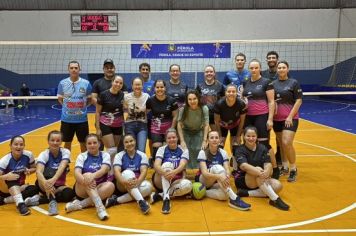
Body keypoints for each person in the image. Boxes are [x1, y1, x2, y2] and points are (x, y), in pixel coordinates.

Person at [234, 126, 290, 211]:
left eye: (253, 136)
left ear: (257, 137)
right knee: (259, 169)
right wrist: (261, 172)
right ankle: (275, 199)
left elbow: (268, 164)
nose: (251, 138)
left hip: (260, 178)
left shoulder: (262, 148)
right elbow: (244, 166)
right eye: (248, 136)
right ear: (244, 137)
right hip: (243, 180)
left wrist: (267, 171)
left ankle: (247, 193)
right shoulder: (240, 149)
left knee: (278, 186)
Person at [242, 59, 279, 179]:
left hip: (262, 116)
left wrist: (270, 119)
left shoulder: (266, 82)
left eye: (256, 68)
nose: (253, 70)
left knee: (264, 144)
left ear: (260, 68)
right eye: (251, 68)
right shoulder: (245, 82)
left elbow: (271, 101)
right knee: (248, 142)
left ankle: (274, 168)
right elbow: (243, 99)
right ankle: (251, 168)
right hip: (248, 116)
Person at [196, 131, 251, 210]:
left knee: (224, 196)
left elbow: (227, 170)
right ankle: (234, 199)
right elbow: (204, 173)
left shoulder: (223, 152)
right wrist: (220, 176)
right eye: (212, 138)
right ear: (207, 140)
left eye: (216, 138)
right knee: (217, 167)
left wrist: (227, 176)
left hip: (216, 183)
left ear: (219, 140)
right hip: (204, 180)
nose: (214, 140)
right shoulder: (203, 152)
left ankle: (202, 192)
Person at [65, 134, 115, 220]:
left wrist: (93, 176)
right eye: (89, 143)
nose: (92, 145)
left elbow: (104, 169)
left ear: (99, 144)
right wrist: (86, 180)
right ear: (86, 145)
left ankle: (79, 205)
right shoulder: (82, 156)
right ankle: (100, 208)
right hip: (82, 188)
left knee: (111, 185)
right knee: (87, 175)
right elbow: (77, 173)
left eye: (95, 142)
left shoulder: (105, 155)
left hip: (99, 188)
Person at [105, 135, 152, 214]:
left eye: (131, 141)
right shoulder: (119, 155)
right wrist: (125, 182)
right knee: (127, 172)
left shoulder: (142, 155)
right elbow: (116, 172)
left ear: (135, 141)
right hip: (122, 184)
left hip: (137, 183)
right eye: (126, 142)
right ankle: (141, 201)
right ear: (123, 144)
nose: (129, 143)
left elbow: (144, 171)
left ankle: (116, 200)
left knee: (148, 187)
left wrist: (138, 182)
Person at [32, 130, 75, 216]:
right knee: (49, 171)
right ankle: (52, 203)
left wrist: (54, 180)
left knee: (69, 194)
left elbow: (62, 167)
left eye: (58, 140)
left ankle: (40, 200)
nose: (55, 143)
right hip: (44, 184)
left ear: (61, 142)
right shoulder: (44, 154)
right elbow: (38, 172)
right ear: (48, 141)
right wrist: (46, 183)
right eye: (52, 140)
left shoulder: (65, 152)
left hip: (59, 185)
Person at [272, 60, 303, 182]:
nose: (281, 69)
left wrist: (290, 116)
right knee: (280, 143)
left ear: (287, 69)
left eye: (283, 67)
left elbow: (298, 101)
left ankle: (293, 168)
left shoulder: (293, 83)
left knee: (286, 142)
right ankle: (284, 166)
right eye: (279, 68)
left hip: (290, 119)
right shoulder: (273, 84)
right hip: (276, 119)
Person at [150, 128, 192, 214]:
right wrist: (166, 173)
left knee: (188, 185)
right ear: (166, 140)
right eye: (169, 138)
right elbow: (156, 165)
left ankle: (160, 195)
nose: (171, 139)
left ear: (177, 138)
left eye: (173, 137)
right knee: (167, 165)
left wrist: (174, 172)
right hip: (160, 180)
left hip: (175, 180)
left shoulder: (184, 149)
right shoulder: (162, 149)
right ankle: (166, 199)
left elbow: (182, 165)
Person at [57, 60, 92, 152]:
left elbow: (89, 99)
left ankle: (84, 162)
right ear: (68, 69)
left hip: (82, 119)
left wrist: (83, 107)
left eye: (76, 68)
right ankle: (66, 164)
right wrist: (67, 107)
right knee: (67, 142)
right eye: (71, 68)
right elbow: (60, 99)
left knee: (83, 142)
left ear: (79, 69)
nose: (74, 70)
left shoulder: (86, 83)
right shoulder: (62, 83)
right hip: (67, 119)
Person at [0, 136, 38, 216]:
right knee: (12, 176)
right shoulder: (5, 160)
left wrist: (29, 171)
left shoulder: (28, 155)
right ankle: (20, 204)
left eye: (21, 144)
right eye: (16, 144)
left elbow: (34, 168)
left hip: (19, 187)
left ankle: (4, 201)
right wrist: (6, 176)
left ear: (24, 146)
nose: (18, 147)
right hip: (4, 189)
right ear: (10, 146)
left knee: (34, 189)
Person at [146, 80, 179, 163]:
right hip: (156, 129)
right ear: (154, 88)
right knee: (157, 148)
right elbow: (145, 113)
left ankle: (168, 165)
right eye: (157, 87)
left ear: (165, 88)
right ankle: (155, 166)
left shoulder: (171, 100)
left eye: (161, 87)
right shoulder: (150, 100)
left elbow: (175, 116)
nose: (159, 89)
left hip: (168, 129)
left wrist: (171, 129)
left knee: (166, 148)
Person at [95, 75, 125, 161]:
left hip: (118, 125)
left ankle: (112, 168)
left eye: (120, 83)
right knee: (111, 149)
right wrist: (97, 128)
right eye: (116, 82)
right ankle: (108, 169)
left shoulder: (123, 95)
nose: (118, 84)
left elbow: (123, 110)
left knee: (114, 149)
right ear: (112, 82)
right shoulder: (103, 94)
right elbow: (97, 112)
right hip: (105, 124)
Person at [177, 90, 209, 169]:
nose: (192, 101)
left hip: (198, 131)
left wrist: (205, 140)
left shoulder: (204, 108)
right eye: (190, 99)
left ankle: (198, 171)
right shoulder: (183, 109)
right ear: (187, 101)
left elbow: (206, 125)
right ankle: (186, 171)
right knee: (186, 151)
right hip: (186, 131)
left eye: (194, 99)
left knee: (199, 149)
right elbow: (179, 124)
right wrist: (182, 140)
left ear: (198, 99)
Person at [261, 51, 282, 168]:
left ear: (277, 59)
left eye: (273, 58)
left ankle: (279, 157)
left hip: (280, 109)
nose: (271, 59)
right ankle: (266, 156)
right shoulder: (263, 74)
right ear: (266, 60)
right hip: (266, 108)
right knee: (266, 134)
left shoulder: (282, 73)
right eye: (269, 58)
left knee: (279, 136)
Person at [214, 84, 246, 152]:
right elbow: (216, 121)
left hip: (235, 125)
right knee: (220, 145)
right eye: (229, 91)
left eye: (233, 91)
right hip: (222, 126)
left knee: (236, 146)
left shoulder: (241, 104)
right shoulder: (219, 104)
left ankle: (234, 161)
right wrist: (220, 136)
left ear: (236, 93)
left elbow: (242, 121)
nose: (231, 93)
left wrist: (238, 136)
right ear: (225, 93)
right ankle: (220, 161)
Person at [123, 78, 149, 152]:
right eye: (135, 85)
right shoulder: (126, 97)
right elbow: (124, 109)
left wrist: (142, 110)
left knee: (141, 149)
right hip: (129, 125)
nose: (137, 87)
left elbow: (149, 109)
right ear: (132, 86)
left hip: (142, 125)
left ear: (142, 86)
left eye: (139, 85)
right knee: (130, 148)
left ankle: (142, 163)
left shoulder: (147, 96)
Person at [196, 65, 225, 131]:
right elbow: (196, 101)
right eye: (207, 72)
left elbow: (224, 101)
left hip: (215, 115)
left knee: (215, 136)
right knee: (203, 137)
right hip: (203, 115)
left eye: (211, 72)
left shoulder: (220, 86)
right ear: (204, 74)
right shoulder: (199, 86)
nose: (209, 73)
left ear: (214, 73)